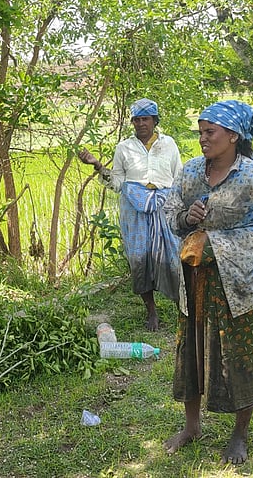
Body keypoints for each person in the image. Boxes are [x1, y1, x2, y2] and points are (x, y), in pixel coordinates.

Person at [162, 99, 253, 464]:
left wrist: (221, 245)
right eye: (200, 132)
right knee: (190, 349)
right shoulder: (190, 173)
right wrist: (188, 218)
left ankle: (240, 434)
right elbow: (171, 214)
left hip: (244, 285)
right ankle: (191, 426)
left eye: (211, 132)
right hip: (197, 281)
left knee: (241, 355)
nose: (203, 139)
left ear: (233, 136)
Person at [78, 98, 184, 330]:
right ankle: (152, 312)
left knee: (173, 259)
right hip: (134, 209)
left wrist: (183, 208)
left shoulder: (169, 144)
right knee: (139, 260)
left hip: (164, 207)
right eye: (136, 119)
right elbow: (117, 182)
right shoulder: (124, 148)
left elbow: (179, 177)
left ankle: (182, 310)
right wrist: (97, 165)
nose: (140, 123)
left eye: (145, 119)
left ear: (155, 121)